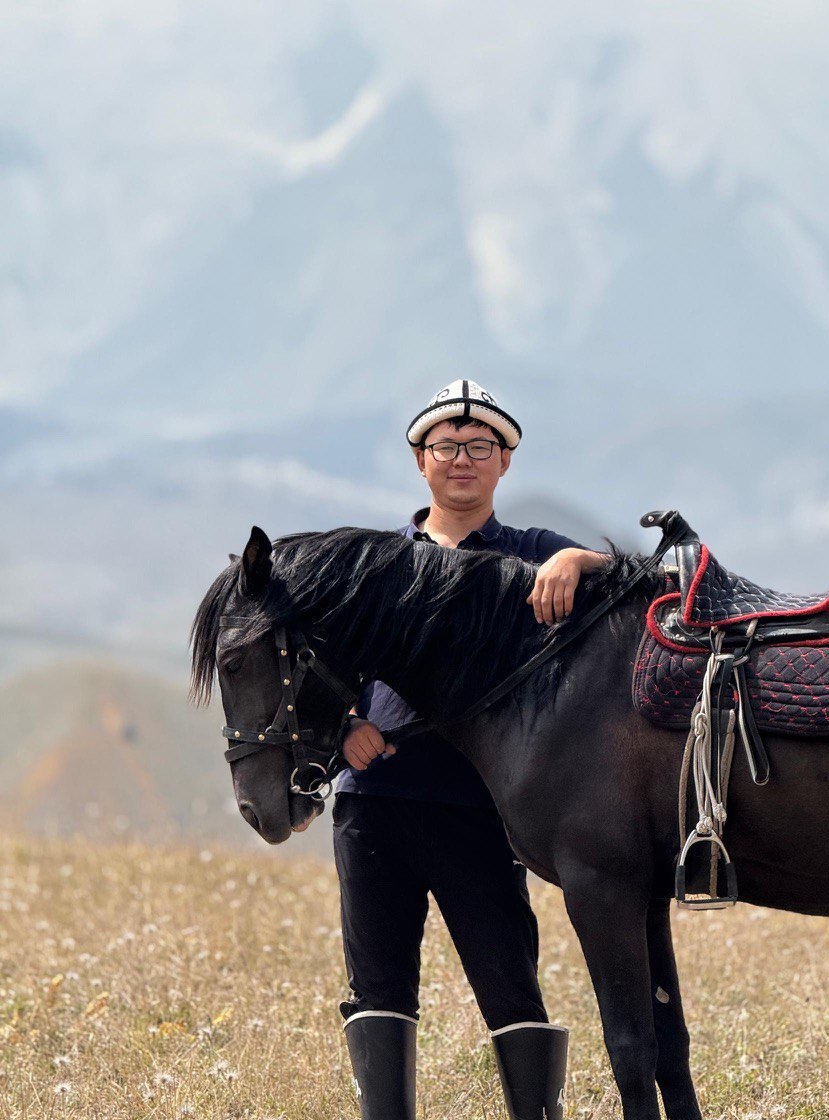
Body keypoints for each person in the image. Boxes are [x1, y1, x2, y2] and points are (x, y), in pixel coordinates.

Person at [333, 379, 607, 1120]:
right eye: (447, 447)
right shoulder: (376, 565)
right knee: (379, 988)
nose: (463, 459)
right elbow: (316, 665)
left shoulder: (529, 554)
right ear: (420, 460)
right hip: (374, 803)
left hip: (479, 807)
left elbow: (626, 580)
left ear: (504, 465)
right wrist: (343, 726)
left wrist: (575, 560)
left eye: (481, 448)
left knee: (509, 983)